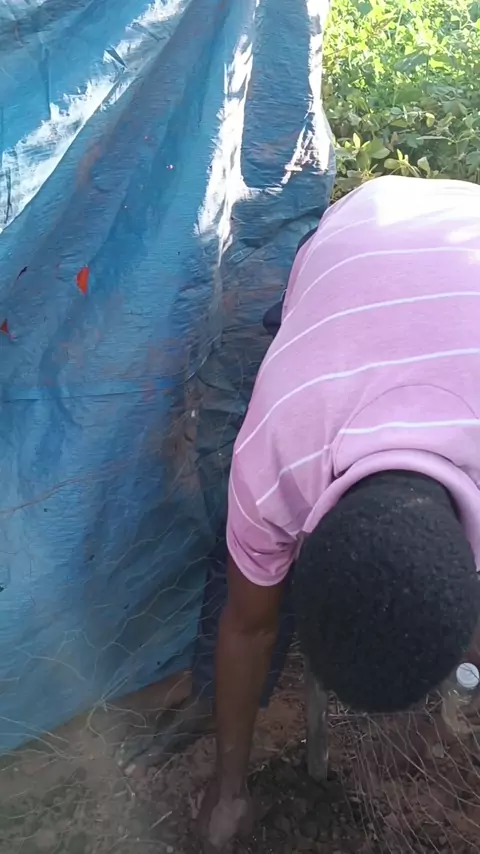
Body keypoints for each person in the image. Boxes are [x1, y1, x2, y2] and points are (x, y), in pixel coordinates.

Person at [140, 176, 480, 846]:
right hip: (363, 225)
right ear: (307, 533)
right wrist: (228, 789)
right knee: (239, 567)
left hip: (464, 233)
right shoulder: (274, 457)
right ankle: (213, 707)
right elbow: (250, 625)